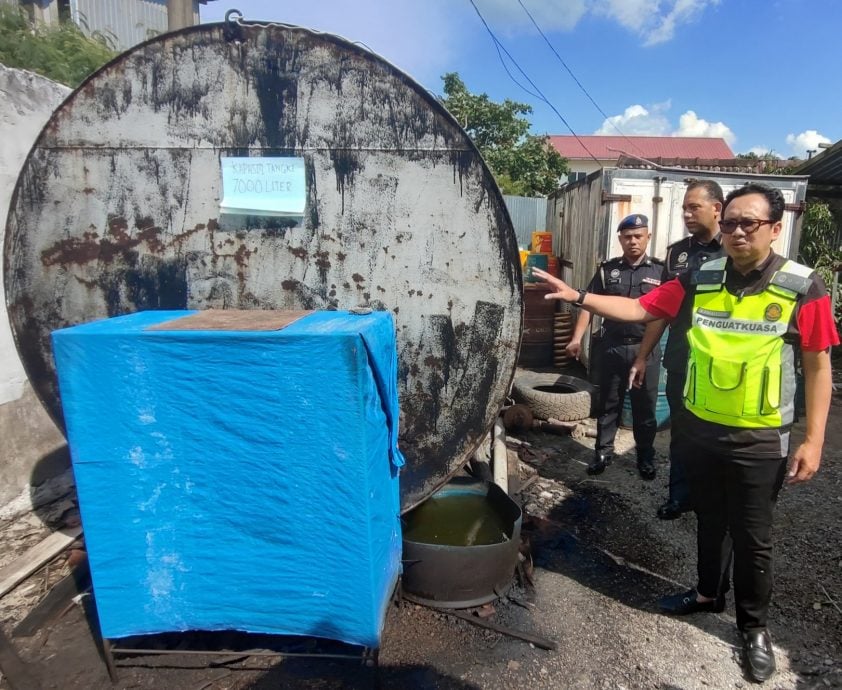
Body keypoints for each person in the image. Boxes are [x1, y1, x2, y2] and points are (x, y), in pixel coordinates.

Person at [532, 182, 837, 683]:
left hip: (760, 438)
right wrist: (580, 296)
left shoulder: (804, 287)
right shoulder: (701, 275)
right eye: (732, 222)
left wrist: (814, 439)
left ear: (775, 229)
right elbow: (642, 309)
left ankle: (753, 629)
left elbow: (818, 366)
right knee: (710, 520)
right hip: (700, 428)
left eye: (749, 223)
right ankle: (706, 594)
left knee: (753, 536)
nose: (737, 231)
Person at [629, 180, 727, 520]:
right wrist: (642, 356)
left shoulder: (734, 249)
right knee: (682, 434)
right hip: (683, 360)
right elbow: (662, 311)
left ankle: (714, 497)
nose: (686, 213)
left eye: (693, 207)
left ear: (717, 208)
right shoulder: (677, 254)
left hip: (722, 368)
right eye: (684, 207)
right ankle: (680, 497)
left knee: (717, 436)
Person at [566, 214, 663, 479]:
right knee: (609, 404)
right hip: (612, 348)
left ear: (648, 237)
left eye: (638, 236)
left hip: (646, 350)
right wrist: (576, 339)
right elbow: (589, 305)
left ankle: (645, 458)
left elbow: (665, 312)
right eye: (627, 236)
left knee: (645, 409)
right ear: (620, 239)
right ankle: (602, 453)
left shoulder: (660, 271)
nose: (633, 241)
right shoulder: (607, 270)